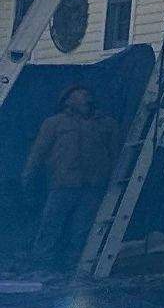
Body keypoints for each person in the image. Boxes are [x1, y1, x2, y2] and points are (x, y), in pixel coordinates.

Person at [22, 84, 120, 278]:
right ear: (68, 100)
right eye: (81, 93)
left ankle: (74, 268)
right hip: (63, 184)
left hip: (93, 186)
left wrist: (111, 178)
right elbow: (38, 152)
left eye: (87, 93)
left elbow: (116, 153)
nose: (86, 96)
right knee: (50, 227)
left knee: (82, 230)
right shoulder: (54, 123)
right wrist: (28, 176)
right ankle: (41, 268)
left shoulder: (106, 124)